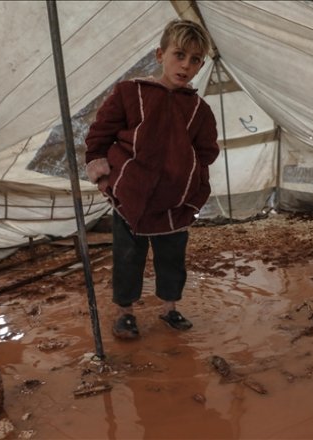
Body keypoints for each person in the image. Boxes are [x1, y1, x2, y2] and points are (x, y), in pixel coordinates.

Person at [84, 19, 219, 339]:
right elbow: (99, 135)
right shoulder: (131, 93)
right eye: (179, 55)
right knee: (128, 258)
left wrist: (194, 190)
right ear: (160, 55)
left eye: (195, 59)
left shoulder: (199, 110)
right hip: (131, 196)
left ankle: (170, 309)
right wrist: (106, 179)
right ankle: (125, 314)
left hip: (174, 202)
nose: (186, 65)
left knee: (172, 258)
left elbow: (206, 153)